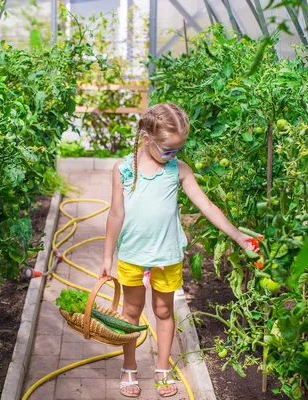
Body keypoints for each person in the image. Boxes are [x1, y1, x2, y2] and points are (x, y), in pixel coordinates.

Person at [100, 103, 259, 398]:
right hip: (133, 255)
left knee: (163, 311)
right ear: (146, 139)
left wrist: (237, 236)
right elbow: (115, 215)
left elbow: (207, 205)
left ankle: (162, 368)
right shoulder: (122, 169)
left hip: (167, 257)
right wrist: (107, 256)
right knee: (130, 314)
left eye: (178, 149)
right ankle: (129, 367)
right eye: (168, 150)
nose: (173, 155)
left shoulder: (178, 169)